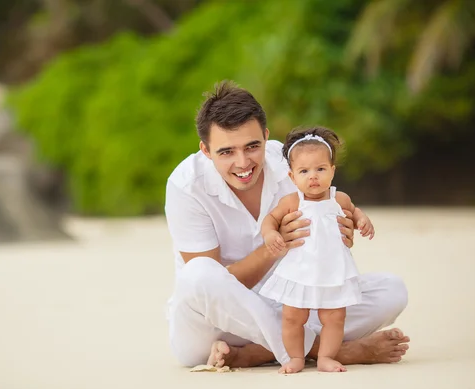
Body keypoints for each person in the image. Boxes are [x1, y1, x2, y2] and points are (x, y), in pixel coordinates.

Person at [164, 80, 409, 370]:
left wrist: (339, 236)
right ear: (205, 150)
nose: (243, 163)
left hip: (290, 304)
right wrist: (274, 247)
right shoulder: (186, 185)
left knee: (391, 290)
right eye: (226, 152)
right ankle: (328, 351)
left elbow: (328, 218)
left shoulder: (293, 163)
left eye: (252, 146)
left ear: (266, 137)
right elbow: (212, 285)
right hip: (212, 327)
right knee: (198, 274)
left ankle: (258, 353)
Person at [259, 126, 375, 374]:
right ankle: (296, 358)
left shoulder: (339, 199)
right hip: (300, 269)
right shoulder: (291, 201)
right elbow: (270, 220)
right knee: (292, 318)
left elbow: (354, 213)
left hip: (332, 269)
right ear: (292, 177)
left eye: (320, 169)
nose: (313, 177)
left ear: (332, 171)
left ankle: (326, 357)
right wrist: (271, 234)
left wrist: (362, 220)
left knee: (334, 317)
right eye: (304, 171)